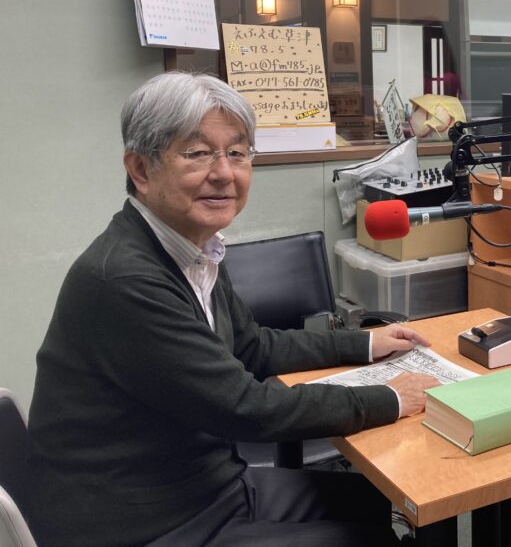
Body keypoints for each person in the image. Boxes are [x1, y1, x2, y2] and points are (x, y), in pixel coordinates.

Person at [25, 72, 440, 547]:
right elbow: (245, 408)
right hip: (144, 522)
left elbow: (252, 346)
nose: (224, 173)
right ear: (141, 169)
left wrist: (363, 343)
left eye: (238, 153)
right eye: (198, 153)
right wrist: (389, 398)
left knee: (374, 500)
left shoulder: (193, 247)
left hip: (208, 489)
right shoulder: (125, 280)